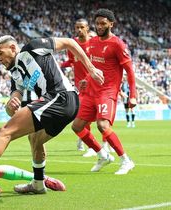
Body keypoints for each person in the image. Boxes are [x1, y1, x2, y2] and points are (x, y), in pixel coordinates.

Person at [0, 35, 104, 195]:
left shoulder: (33, 47)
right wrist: (11, 104)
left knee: (5, 132)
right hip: (63, 104)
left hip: (60, 97)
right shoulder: (15, 74)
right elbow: (13, 104)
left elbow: (69, 42)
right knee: (35, 139)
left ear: (13, 48)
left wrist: (91, 68)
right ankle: (38, 184)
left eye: (0, 53)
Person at [71, 9, 137, 175]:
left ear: (111, 24)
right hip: (91, 91)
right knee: (77, 126)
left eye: (103, 23)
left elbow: (129, 71)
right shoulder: (93, 42)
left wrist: (133, 95)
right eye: (97, 23)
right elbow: (94, 67)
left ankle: (126, 161)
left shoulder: (118, 44)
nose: (99, 26)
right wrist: (86, 77)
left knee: (102, 125)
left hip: (107, 92)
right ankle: (102, 155)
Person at [61, 19, 112, 157]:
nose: (79, 30)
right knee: (83, 115)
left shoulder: (94, 42)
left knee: (101, 117)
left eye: (81, 27)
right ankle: (89, 144)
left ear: (87, 28)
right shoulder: (72, 44)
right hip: (81, 85)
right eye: (76, 27)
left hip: (96, 84)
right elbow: (71, 61)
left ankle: (105, 143)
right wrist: (60, 65)